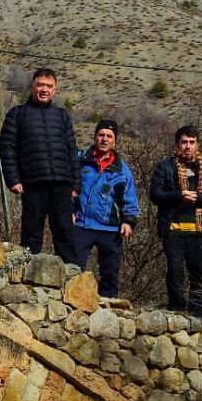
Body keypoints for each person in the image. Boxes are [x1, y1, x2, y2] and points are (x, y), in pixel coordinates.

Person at [0, 67, 79, 261]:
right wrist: (13, 180)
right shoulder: (17, 114)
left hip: (61, 182)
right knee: (31, 234)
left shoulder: (61, 115)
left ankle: (70, 277)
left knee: (65, 233)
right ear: (31, 87)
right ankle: (27, 278)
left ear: (55, 90)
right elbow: (7, 149)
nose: (44, 89)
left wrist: (76, 184)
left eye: (49, 86)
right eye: (40, 85)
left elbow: (71, 150)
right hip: (33, 183)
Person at [148, 125, 202, 316]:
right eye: (184, 142)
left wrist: (198, 197)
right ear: (177, 144)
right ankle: (176, 309)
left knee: (198, 273)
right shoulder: (165, 167)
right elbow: (155, 194)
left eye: (192, 142)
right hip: (173, 229)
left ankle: (196, 311)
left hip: (199, 230)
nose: (188, 147)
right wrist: (178, 195)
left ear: (198, 145)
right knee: (175, 271)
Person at [71, 120, 139, 299]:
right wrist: (68, 210)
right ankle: (72, 305)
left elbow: (129, 200)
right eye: (101, 135)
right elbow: (67, 189)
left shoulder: (122, 170)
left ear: (114, 141)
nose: (104, 139)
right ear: (94, 137)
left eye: (109, 136)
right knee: (72, 269)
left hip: (110, 228)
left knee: (110, 274)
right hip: (81, 224)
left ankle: (108, 309)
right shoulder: (79, 160)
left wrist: (128, 222)